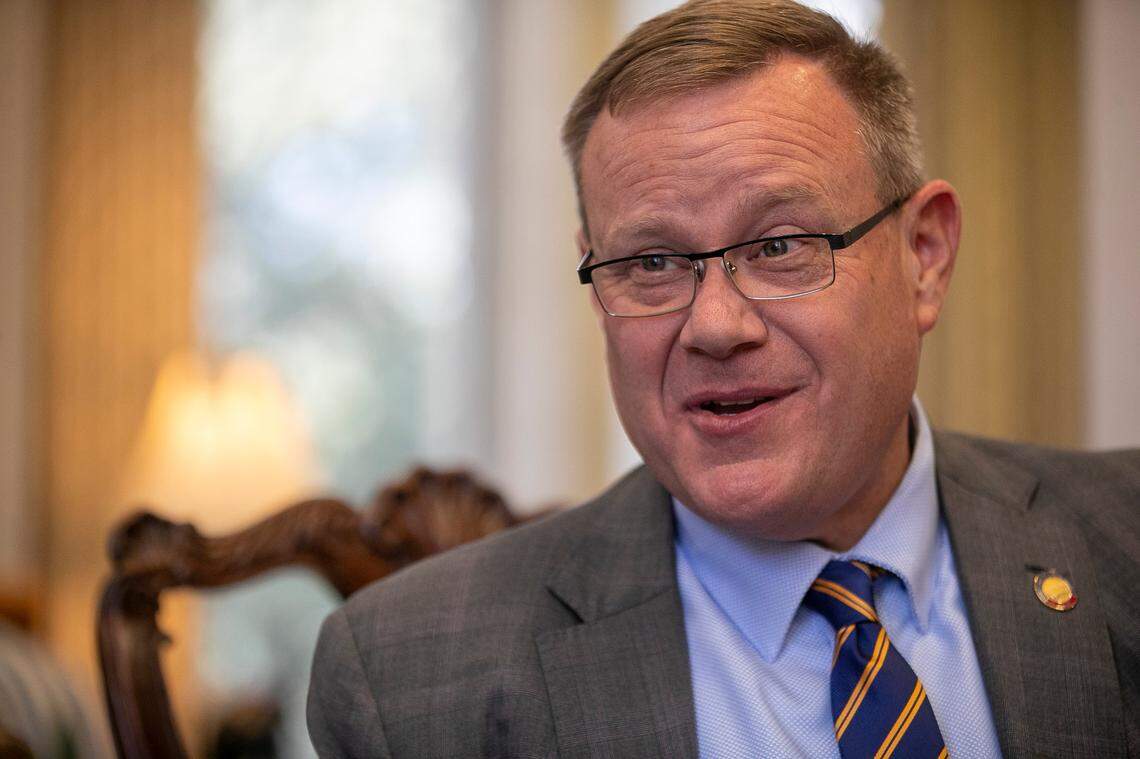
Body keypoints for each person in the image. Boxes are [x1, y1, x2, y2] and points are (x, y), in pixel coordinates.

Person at [307, 1, 1140, 756]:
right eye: (652, 262)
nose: (714, 326)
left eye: (780, 246)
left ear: (924, 256)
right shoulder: (409, 682)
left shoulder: (1123, 542)